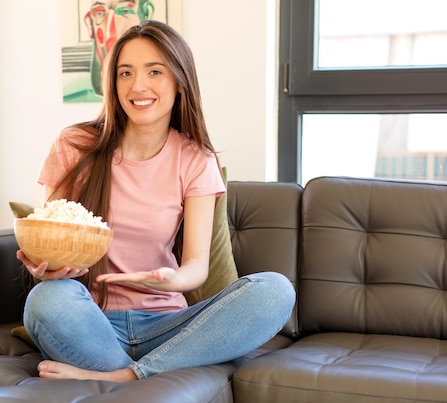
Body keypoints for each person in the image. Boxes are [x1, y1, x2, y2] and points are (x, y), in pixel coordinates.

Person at [17, 20, 295, 383]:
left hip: (169, 324)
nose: (138, 86)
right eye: (125, 73)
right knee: (47, 299)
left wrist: (172, 280)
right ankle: (146, 371)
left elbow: (197, 265)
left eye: (154, 71)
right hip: (90, 321)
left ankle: (125, 378)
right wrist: (46, 267)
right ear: (112, 83)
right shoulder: (74, 146)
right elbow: (47, 232)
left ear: (179, 81)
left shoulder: (196, 159)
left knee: (275, 291)